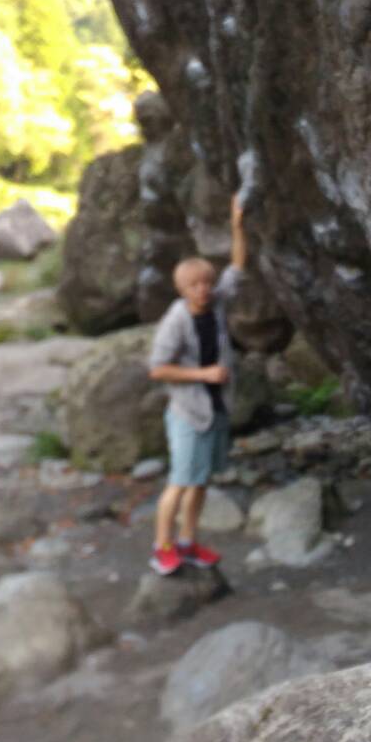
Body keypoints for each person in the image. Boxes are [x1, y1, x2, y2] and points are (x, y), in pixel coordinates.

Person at [145, 193, 247, 575]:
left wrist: (237, 224)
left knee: (201, 481)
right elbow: (157, 368)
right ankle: (162, 547)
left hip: (216, 407)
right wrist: (202, 374)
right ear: (182, 289)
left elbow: (237, 267)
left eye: (206, 282)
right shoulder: (176, 320)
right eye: (194, 285)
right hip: (189, 412)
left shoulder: (217, 301)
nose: (203, 289)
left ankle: (187, 543)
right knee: (180, 481)